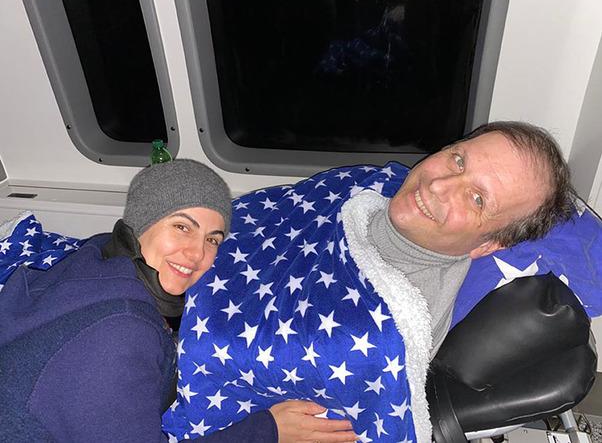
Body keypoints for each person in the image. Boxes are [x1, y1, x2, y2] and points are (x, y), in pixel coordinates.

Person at [163, 121, 574, 442]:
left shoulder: (378, 337)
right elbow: (269, 215)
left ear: (487, 245)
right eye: (458, 160)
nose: (438, 185)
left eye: (477, 199)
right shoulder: (376, 185)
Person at [0, 159, 356, 443]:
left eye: (212, 239)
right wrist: (269, 430)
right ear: (142, 223)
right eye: (182, 227)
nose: (197, 253)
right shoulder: (119, 333)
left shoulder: (97, 254)